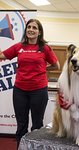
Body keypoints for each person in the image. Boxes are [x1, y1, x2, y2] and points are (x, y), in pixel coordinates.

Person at [0, 19, 60, 149]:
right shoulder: (19, 47)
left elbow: (56, 65)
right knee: (21, 124)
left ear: (39, 32)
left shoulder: (45, 48)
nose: (31, 29)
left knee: (37, 125)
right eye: (29, 27)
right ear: (26, 29)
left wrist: (43, 69)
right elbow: (2, 55)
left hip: (38, 91)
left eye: (34, 28)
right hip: (20, 91)